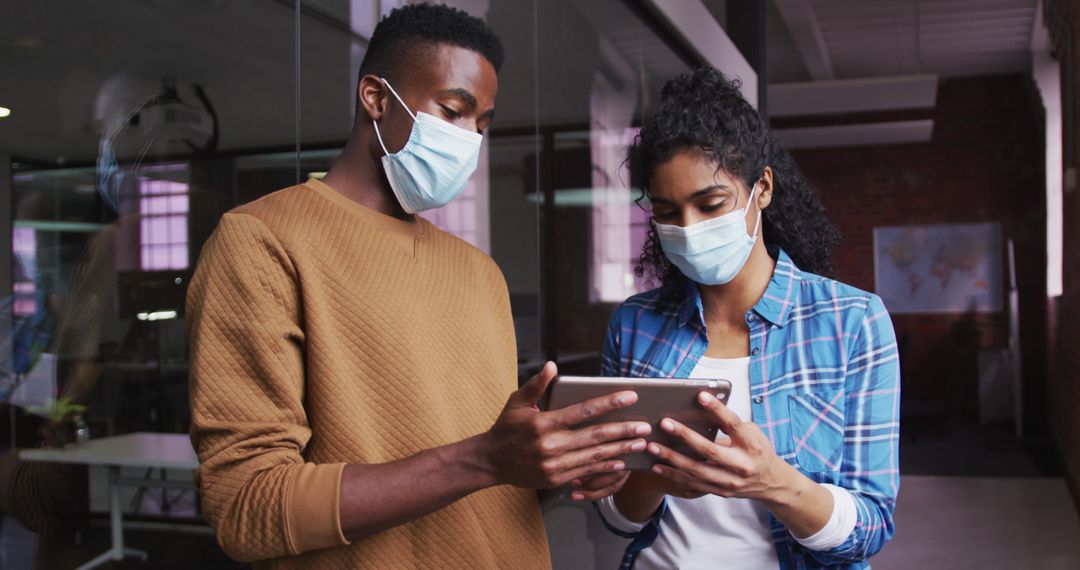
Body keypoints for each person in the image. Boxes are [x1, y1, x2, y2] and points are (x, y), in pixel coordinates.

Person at [187, 4, 652, 569]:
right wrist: (483, 460)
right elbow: (243, 508)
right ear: (376, 98)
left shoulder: (480, 274)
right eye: (453, 111)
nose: (470, 140)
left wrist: (554, 463)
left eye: (482, 124)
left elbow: (494, 484)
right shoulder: (262, 241)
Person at [584, 67, 901, 569]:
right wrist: (651, 478)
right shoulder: (634, 323)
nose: (688, 228)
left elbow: (870, 528)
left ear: (763, 189)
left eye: (711, 204)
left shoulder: (853, 322)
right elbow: (617, 520)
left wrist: (773, 484)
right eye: (667, 212)